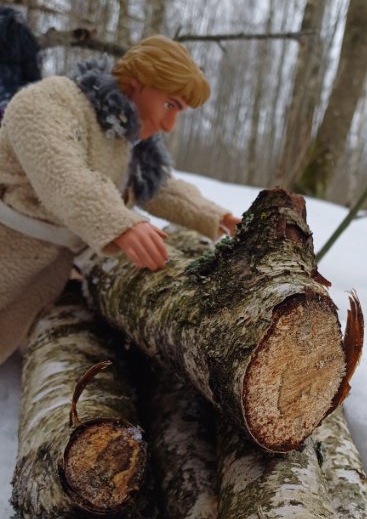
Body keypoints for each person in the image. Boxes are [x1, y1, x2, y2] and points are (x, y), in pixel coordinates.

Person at [0, 34, 240, 365]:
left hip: (42, 273)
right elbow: (61, 172)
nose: (170, 125)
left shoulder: (125, 142)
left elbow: (159, 187)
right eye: (170, 105)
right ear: (139, 83)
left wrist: (216, 216)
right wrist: (119, 223)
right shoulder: (49, 102)